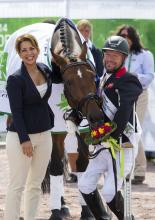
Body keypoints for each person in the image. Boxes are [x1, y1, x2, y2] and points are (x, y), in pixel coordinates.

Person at [78, 36, 142, 220]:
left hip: (121, 144)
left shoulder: (128, 80)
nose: (110, 59)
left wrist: (110, 135)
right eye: (107, 54)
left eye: (115, 55)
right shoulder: (104, 77)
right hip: (103, 143)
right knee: (85, 185)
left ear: (123, 58)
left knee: (109, 192)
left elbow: (123, 113)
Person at [4, 34, 54, 220]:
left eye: (31, 48)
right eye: (23, 50)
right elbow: (16, 112)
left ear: (37, 49)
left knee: (35, 184)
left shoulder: (46, 70)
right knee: (17, 185)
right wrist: (24, 139)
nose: (28, 53)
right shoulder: (15, 79)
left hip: (45, 135)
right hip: (20, 138)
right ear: (19, 53)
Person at [115, 25, 155, 184]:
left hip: (139, 94)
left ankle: (139, 170)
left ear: (133, 37)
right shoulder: (117, 55)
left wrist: (131, 76)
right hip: (121, 96)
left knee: (134, 129)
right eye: (122, 35)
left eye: (127, 35)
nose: (125, 38)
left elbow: (149, 76)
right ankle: (126, 170)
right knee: (123, 130)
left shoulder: (145, 55)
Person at [77, 19, 104, 85]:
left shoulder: (97, 52)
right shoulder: (71, 50)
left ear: (90, 33)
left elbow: (99, 73)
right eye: (81, 30)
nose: (83, 33)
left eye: (87, 31)